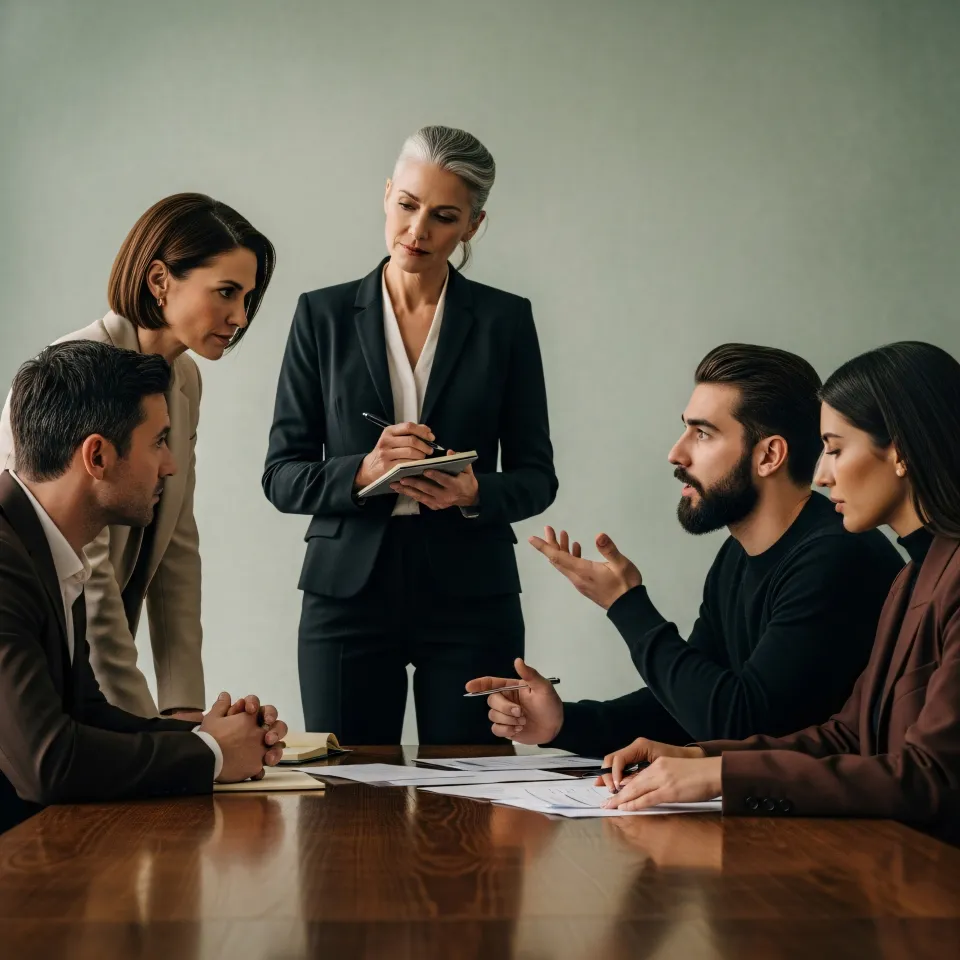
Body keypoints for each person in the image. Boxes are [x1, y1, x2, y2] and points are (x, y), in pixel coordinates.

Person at [595, 342, 960, 845]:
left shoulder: (888, 563)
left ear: (898, 452)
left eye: (834, 448)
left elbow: (932, 777)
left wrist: (723, 775)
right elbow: (848, 735)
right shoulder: (911, 577)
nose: (823, 474)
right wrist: (701, 757)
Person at [264, 125, 557, 744]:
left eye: (444, 216)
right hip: (345, 594)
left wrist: (475, 492)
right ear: (388, 193)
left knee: (470, 802)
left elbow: (537, 476)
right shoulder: (321, 316)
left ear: (472, 226)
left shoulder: (506, 321)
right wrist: (363, 472)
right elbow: (281, 474)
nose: (417, 231)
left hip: (472, 595)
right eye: (407, 205)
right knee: (346, 803)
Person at [468, 344, 903, 754]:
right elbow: (685, 708)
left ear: (769, 455)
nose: (677, 453)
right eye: (685, 429)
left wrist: (626, 604)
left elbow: (738, 724)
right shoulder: (737, 556)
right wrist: (562, 723)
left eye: (703, 434)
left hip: (849, 828)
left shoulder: (835, 558)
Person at [0, 193, 276, 720]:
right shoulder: (77, 373)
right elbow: (89, 572)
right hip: (52, 656)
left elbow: (177, 545)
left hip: (105, 665)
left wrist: (183, 708)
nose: (240, 317)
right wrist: (154, 731)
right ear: (159, 280)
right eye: (226, 292)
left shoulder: (186, 380)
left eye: (248, 297)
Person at [0, 341, 287, 835]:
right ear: (97, 456)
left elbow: (84, 716)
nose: (170, 465)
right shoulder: (5, 562)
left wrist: (212, 734)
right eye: (158, 441)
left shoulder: (40, 546)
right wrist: (212, 754)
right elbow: (47, 763)